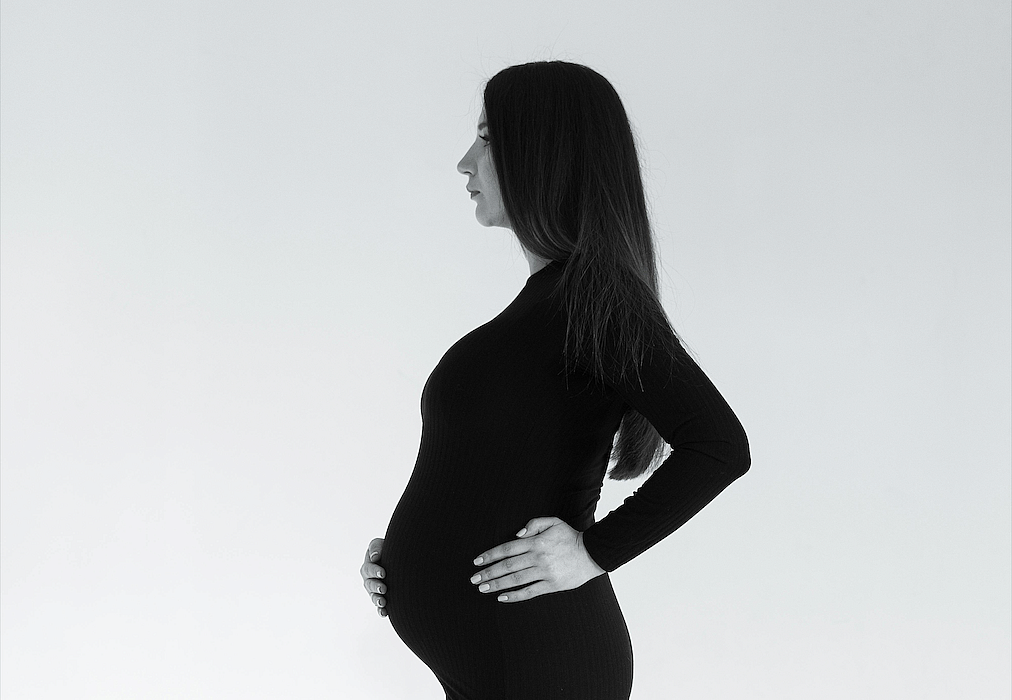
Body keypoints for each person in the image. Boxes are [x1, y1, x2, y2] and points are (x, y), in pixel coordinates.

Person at [358, 60, 751, 700]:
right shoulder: (549, 305)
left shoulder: (596, 298)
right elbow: (492, 467)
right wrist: (406, 554)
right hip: (501, 664)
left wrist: (593, 554)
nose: (464, 163)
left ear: (543, 155)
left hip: (543, 665)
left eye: (487, 140)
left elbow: (720, 445)